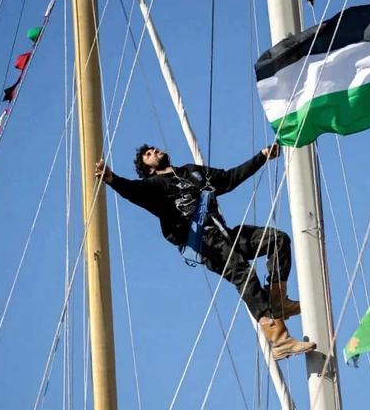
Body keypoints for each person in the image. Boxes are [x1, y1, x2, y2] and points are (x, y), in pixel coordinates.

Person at [95, 144, 316, 360]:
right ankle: (278, 339)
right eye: (148, 154)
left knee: (277, 240)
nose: (154, 151)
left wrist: (262, 156)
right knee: (243, 273)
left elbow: (229, 179)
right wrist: (112, 179)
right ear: (149, 169)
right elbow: (134, 191)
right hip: (205, 243)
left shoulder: (192, 172)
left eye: (153, 148)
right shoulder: (155, 186)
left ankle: (278, 300)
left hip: (225, 234)